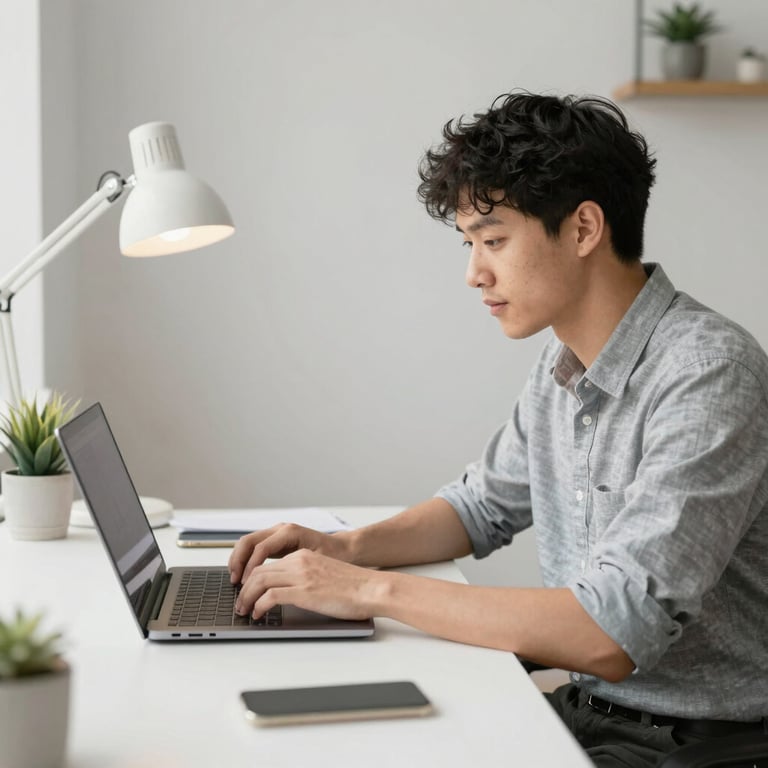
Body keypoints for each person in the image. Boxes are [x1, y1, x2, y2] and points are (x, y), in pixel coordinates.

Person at [228, 92, 768, 766]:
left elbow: (611, 632)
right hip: (592, 715)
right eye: (470, 244)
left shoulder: (709, 373)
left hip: (701, 749)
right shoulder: (564, 361)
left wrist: (367, 591)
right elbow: (480, 507)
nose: (474, 273)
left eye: (493, 241)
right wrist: (347, 548)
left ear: (582, 229)